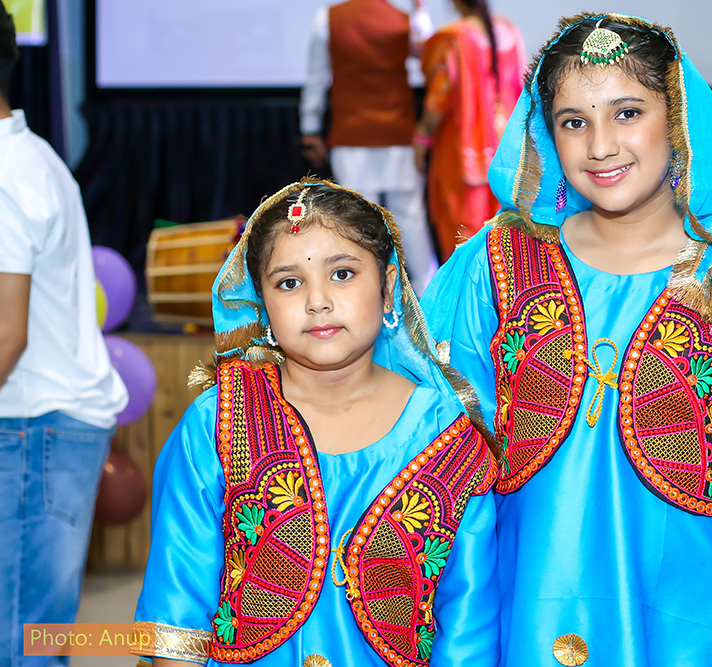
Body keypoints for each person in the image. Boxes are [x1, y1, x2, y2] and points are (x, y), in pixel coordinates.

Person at [421, 14, 712, 666]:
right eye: (574, 121)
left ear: (678, 119)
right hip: (528, 631)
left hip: (697, 632)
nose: (601, 145)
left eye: (628, 111)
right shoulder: (495, 266)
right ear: (548, 137)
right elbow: (443, 464)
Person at [130, 179, 499, 667]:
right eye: (288, 283)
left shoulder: (446, 434)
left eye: (343, 274)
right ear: (261, 303)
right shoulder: (219, 424)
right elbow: (176, 618)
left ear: (389, 288)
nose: (317, 301)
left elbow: (468, 622)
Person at [0, 3, 128, 665]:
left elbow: (5, 334)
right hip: (45, 425)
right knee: (31, 634)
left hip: (31, 426)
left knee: (18, 640)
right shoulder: (30, 156)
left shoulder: (4, 174)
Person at [300, 0, 438, 295]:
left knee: (358, 222)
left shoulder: (328, 19)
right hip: (398, 133)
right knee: (411, 219)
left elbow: (316, 78)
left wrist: (310, 127)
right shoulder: (403, 20)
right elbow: (431, 57)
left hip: (352, 136)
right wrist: (421, 16)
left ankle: (362, 295)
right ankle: (431, 296)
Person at [413, 0, 525, 259]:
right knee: (507, 231)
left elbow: (440, 96)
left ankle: (467, 296)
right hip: (508, 147)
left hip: (465, 147)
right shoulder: (509, 30)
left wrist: (422, 136)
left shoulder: (454, 38)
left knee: (464, 229)